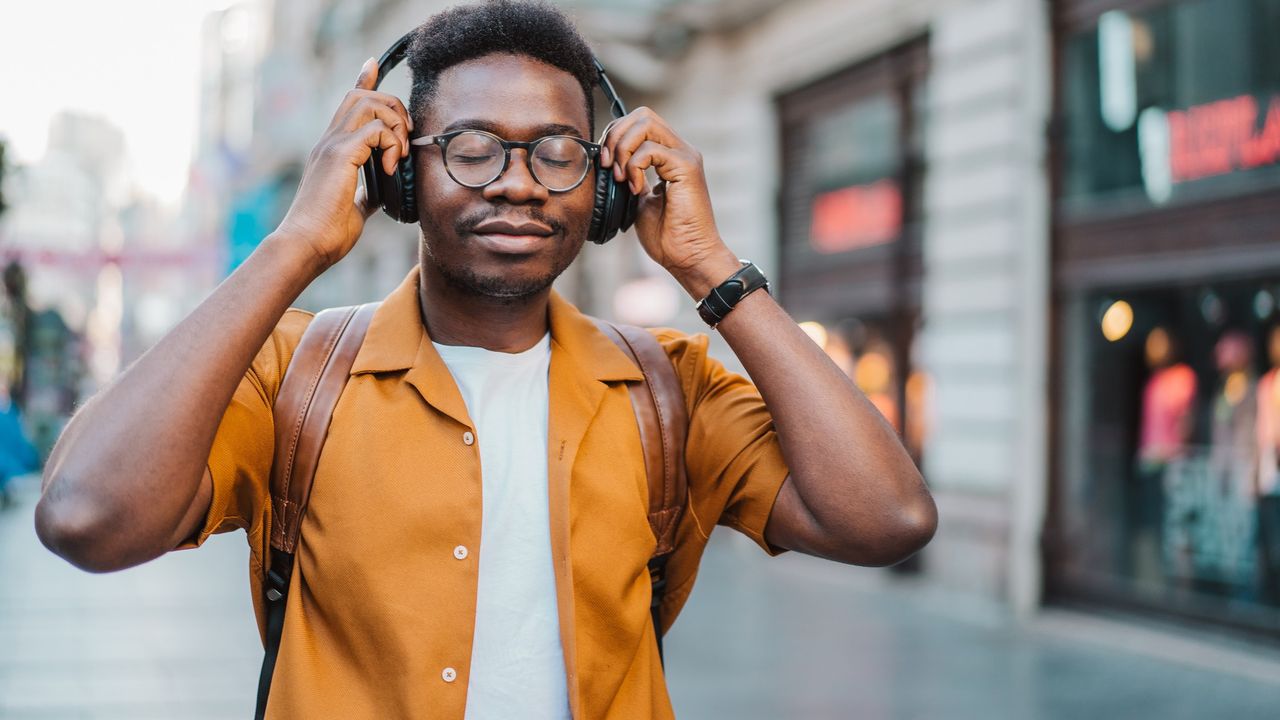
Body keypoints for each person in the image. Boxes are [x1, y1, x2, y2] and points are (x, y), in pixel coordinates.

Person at [33, 2, 936, 717]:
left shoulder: (670, 387)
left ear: (607, 187)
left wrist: (711, 268)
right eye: (470, 151)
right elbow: (88, 517)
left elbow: (886, 518)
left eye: (557, 154)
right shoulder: (290, 372)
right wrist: (295, 246)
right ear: (396, 174)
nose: (516, 180)